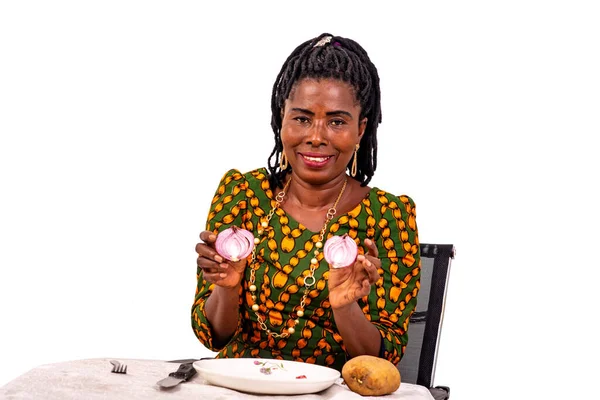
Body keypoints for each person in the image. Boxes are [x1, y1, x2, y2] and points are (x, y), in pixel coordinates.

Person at [192, 33, 420, 372]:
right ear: (280, 119)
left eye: (336, 121)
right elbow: (215, 337)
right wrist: (227, 288)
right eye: (301, 118)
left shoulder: (389, 216)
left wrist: (345, 307)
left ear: (360, 130)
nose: (316, 136)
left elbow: (382, 361)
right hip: (238, 387)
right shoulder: (242, 193)